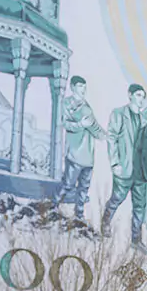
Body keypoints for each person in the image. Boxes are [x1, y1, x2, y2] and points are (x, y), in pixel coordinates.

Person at [53, 75, 107, 222]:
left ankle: (79, 215)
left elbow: (94, 127)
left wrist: (105, 136)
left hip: (88, 157)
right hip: (75, 154)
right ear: (72, 87)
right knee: (68, 184)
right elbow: (66, 124)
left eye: (84, 86)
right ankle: (54, 205)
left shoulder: (87, 107)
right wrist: (80, 125)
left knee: (84, 188)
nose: (83, 89)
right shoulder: (67, 104)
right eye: (80, 86)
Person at [101, 83, 147, 243]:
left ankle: (136, 240)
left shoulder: (145, 120)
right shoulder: (119, 114)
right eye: (138, 95)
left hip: (140, 172)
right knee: (117, 198)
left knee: (139, 207)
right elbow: (112, 138)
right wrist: (115, 163)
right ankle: (105, 221)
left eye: (143, 96)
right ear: (130, 95)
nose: (141, 99)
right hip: (124, 168)